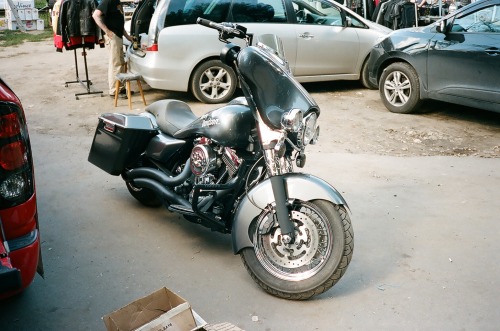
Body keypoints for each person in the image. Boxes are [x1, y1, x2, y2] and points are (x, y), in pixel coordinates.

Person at [92, 0, 133, 98]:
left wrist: (128, 37)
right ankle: (114, 90)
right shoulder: (108, 1)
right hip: (113, 37)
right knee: (115, 64)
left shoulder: (117, 2)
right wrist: (107, 31)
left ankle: (121, 88)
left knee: (121, 62)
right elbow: (95, 15)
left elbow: (119, 23)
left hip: (118, 36)